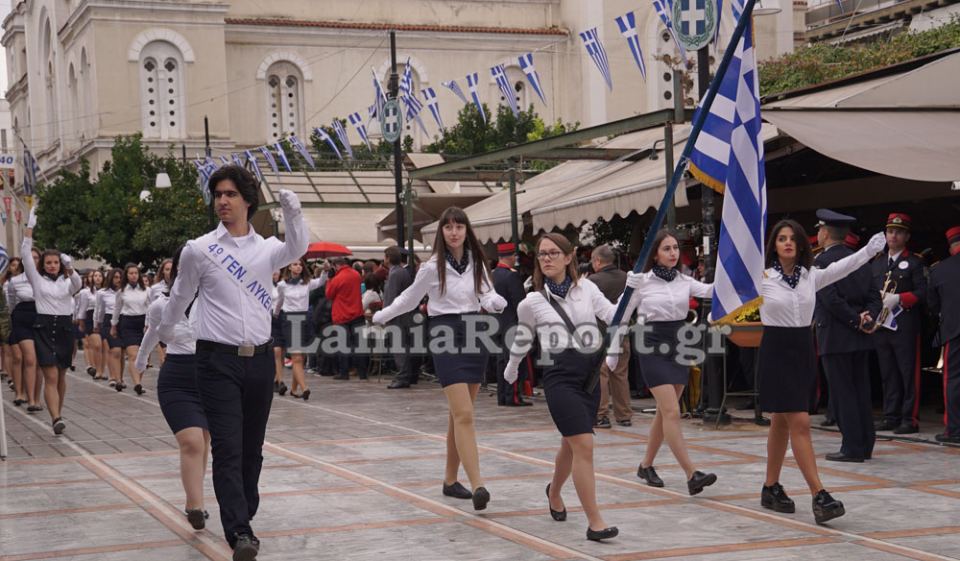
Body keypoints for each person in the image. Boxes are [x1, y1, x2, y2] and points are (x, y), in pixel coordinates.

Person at [158, 165, 307, 561]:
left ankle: (243, 510)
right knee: (226, 445)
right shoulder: (200, 249)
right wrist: (166, 330)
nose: (222, 201)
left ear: (247, 200)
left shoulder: (266, 249)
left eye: (230, 194)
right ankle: (239, 530)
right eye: (217, 194)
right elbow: (180, 295)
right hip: (215, 361)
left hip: (258, 360)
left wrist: (293, 214)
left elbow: (297, 249)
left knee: (251, 447)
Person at [504, 233, 638, 541]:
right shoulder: (533, 301)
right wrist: (512, 368)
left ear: (569, 257)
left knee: (571, 443)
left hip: (589, 375)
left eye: (554, 253)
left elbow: (613, 317)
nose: (547, 258)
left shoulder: (587, 289)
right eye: (542, 254)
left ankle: (554, 491)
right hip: (559, 376)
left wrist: (632, 294)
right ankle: (595, 522)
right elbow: (523, 338)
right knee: (584, 445)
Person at [373, 206, 506, 511]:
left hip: (475, 331)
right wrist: (384, 314)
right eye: (448, 227)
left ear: (466, 230)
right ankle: (478, 485)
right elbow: (409, 299)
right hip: (444, 331)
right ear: (442, 232)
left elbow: (486, 294)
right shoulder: (432, 267)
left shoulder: (477, 262)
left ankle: (449, 480)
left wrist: (495, 301)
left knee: (458, 415)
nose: (454, 232)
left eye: (459, 227)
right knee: (464, 415)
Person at [758, 219, 885, 525]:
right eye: (781, 239)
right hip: (776, 350)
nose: (787, 243)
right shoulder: (761, 277)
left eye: (792, 238)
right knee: (799, 421)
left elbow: (844, 267)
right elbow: (722, 286)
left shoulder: (810, 276)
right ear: (773, 246)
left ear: (802, 244)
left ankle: (770, 487)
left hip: (802, 349)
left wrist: (868, 250)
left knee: (781, 422)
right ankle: (819, 494)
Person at [611, 230, 717, 494]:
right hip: (650, 342)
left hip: (679, 342)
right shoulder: (642, 281)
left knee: (664, 411)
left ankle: (646, 465)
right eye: (666, 249)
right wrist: (613, 348)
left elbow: (711, 291)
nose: (672, 253)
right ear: (655, 254)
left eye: (674, 248)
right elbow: (620, 314)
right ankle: (692, 474)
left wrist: (740, 276)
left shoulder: (684, 280)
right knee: (671, 411)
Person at [136, 246, 211, 530]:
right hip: (177, 378)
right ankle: (196, 506)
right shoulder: (160, 305)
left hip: (210, 376)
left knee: (204, 442)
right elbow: (153, 333)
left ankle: (196, 498)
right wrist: (141, 360)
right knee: (191, 441)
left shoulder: (212, 302)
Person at [812, 210, 880, 462]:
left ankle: (852, 446)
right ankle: (865, 444)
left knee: (842, 393)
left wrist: (854, 320)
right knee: (861, 390)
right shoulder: (859, 259)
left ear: (826, 233)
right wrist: (866, 319)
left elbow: (829, 299)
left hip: (836, 336)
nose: (818, 234)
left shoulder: (821, 263)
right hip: (861, 336)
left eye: (819, 229)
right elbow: (875, 296)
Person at [22, 207, 82, 434]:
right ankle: (56, 417)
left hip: (65, 326)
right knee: (51, 374)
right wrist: (30, 227)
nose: (52, 266)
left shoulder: (67, 282)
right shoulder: (37, 280)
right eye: (48, 263)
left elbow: (77, 286)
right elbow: (26, 254)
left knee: (62, 374)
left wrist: (70, 267)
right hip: (45, 327)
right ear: (43, 265)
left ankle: (59, 411)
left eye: (55, 263)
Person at [871, 213, 927, 434]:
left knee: (907, 372)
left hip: (905, 325)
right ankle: (891, 415)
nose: (893, 235)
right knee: (888, 372)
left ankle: (909, 418)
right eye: (890, 231)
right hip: (882, 325)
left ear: (907, 236)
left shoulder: (915, 262)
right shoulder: (876, 264)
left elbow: (923, 292)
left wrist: (900, 298)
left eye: (899, 232)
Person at [589, 244, 631, 427]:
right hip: (622, 332)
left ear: (598, 261)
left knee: (602, 374)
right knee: (620, 374)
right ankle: (624, 415)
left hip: (599, 332)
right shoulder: (626, 278)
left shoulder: (592, 280)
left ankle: (601, 414)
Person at [274, 258, 325, 399]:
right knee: (296, 356)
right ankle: (305, 388)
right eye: (295, 265)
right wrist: (275, 317)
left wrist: (325, 270)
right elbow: (279, 303)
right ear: (289, 267)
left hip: (305, 320)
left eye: (300, 265)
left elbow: (321, 282)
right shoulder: (282, 285)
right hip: (290, 320)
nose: (298, 267)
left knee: (301, 357)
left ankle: (294, 389)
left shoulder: (307, 283)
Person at [928, 226, 960, 444]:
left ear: (950, 248)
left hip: (954, 332)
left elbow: (932, 305)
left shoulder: (939, 270)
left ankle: (954, 430)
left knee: (954, 381)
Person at [491, 242, 531, 407]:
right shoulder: (512, 276)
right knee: (513, 361)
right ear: (509, 256)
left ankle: (502, 396)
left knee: (502, 361)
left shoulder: (493, 274)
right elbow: (520, 303)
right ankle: (512, 396)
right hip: (512, 324)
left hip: (497, 324)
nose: (516, 258)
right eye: (515, 255)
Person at [7, 252, 42, 412]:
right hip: (22, 317)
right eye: (29, 257)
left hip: (41, 317)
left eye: (36, 258)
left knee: (40, 362)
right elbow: (12, 303)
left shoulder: (45, 278)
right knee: (29, 359)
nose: (32, 260)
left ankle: (36, 396)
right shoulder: (15, 280)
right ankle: (30, 400)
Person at [325, 256, 366, 381]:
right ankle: (363, 373)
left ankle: (344, 373)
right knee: (360, 345)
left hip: (341, 315)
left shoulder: (337, 279)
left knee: (343, 345)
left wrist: (329, 279)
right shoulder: (356, 274)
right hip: (358, 313)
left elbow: (328, 294)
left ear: (336, 266)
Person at [111, 264, 150, 395]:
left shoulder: (146, 290)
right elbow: (117, 309)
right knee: (133, 355)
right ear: (126, 276)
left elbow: (151, 308)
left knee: (143, 355)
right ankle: (137, 383)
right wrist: (113, 325)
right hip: (128, 323)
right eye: (130, 273)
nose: (133, 275)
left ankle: (139, 379)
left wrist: (149, 323)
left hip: (143, 322)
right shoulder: (121, 291)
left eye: (135, 273)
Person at [382, 246, 417, 389]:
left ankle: (403, 376)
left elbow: (391, 296)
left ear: (388, 258)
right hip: (403, 315)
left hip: (397, 316)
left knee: (399, 346)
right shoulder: (400, 272)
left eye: (384, 257)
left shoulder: (395, 273)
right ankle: (405, 375)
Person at [95, 268, 125, 389]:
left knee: (122, 352)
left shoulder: (125, 292)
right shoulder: (102, 293)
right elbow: (99, 310)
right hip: (108, 321)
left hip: (123, 320)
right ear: (111, 278)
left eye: (120, 277)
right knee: (115, 350)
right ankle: (114, 377)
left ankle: (120, 377)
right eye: (115, 277)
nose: (118, 280)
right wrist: (96, 324)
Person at [77, 271, 105, 380]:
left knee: (104, 347)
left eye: (99, 276)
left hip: (104, 317)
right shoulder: (85, 292)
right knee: (96, 345)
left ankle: (101, 370)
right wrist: (81, 322)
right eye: (95, 276)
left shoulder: (106, 291)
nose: (97, 278)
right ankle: (96, 369)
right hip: (90, 317)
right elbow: (82, 308)